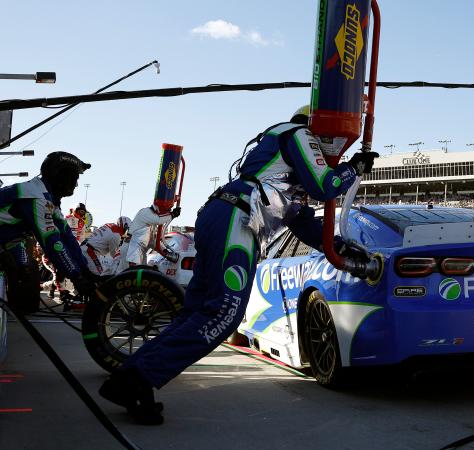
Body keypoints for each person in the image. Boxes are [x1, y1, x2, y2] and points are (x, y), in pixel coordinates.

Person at [99, 106, 378, 425]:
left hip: (223, 214)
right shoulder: (298, 132)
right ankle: (136, 379)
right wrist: (353, 168)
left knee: (197, 313)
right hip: (236, 219)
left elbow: (305, 225)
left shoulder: (282, 171)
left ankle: (133, 377)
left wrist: (341, 247)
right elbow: (326, 186)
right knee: (224, 313)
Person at [0, 152, 96, 314]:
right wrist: (76, 277)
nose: (77, 184)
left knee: (25, 270)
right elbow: (52, 243)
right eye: (74, 178)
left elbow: (67, 237)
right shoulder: (36, 197)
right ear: (59, 175)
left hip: (8, 239)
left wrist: (85, 271)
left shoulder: (47, 198)